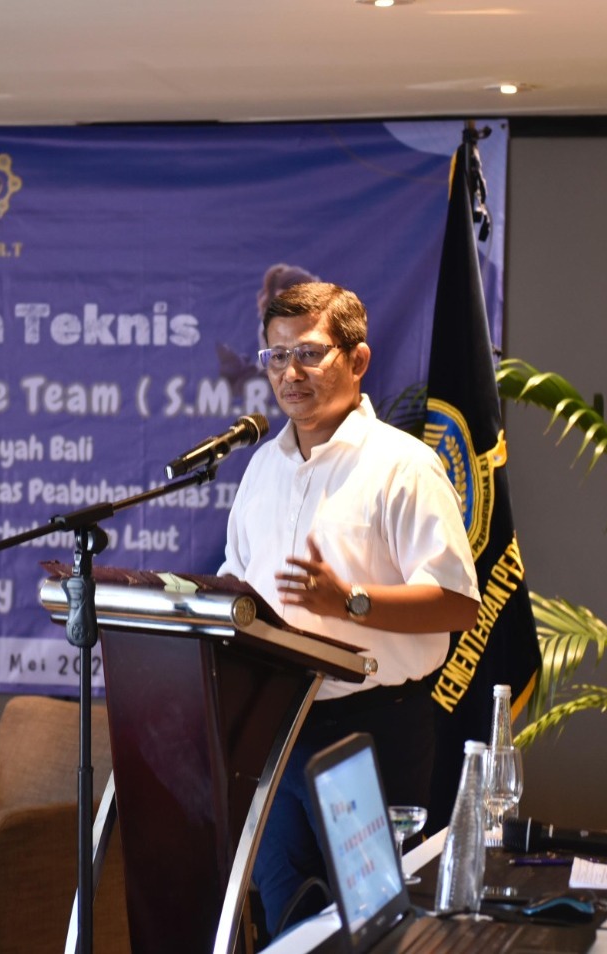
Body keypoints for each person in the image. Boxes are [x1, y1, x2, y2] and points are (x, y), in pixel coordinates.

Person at [219, 282, 480, 936]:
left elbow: (457, 604)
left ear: (358, 360)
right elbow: (238, 578)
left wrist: (350, 602)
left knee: (371, 927)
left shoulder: (404, 466)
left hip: (371, 734)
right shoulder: (262, 469)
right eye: (277, 357)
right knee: (287, 927)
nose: (290, 373)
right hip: (279, 730)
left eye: (309, 353)